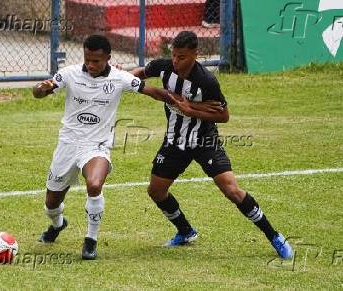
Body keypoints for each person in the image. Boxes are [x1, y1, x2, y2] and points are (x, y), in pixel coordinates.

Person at [130, 31, 292, 259]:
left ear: (196, 55)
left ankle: (274, 236)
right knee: (156, 191)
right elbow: (141, 72)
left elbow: (224, 115)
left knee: (232, 190)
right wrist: (124, 80)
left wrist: (191, 110)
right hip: (175, 141)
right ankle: (185, 231)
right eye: (174, 55)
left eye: (182, 57)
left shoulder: (206, 81)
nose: (176, 61)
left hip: (205, 141)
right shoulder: (164, 67)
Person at [33, 34, 172, 260]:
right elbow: (40, 91)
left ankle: (90, 240)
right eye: (87, 59)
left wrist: (180, 101)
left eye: (96, 61)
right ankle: (57, 224)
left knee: (95, 184)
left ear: (108, 58)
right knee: (51, 203)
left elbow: (152, 91)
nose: (91, 64)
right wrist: (42, 88)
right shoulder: (69, 74)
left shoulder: (120, 78)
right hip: (68, 145)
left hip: (96, 146)